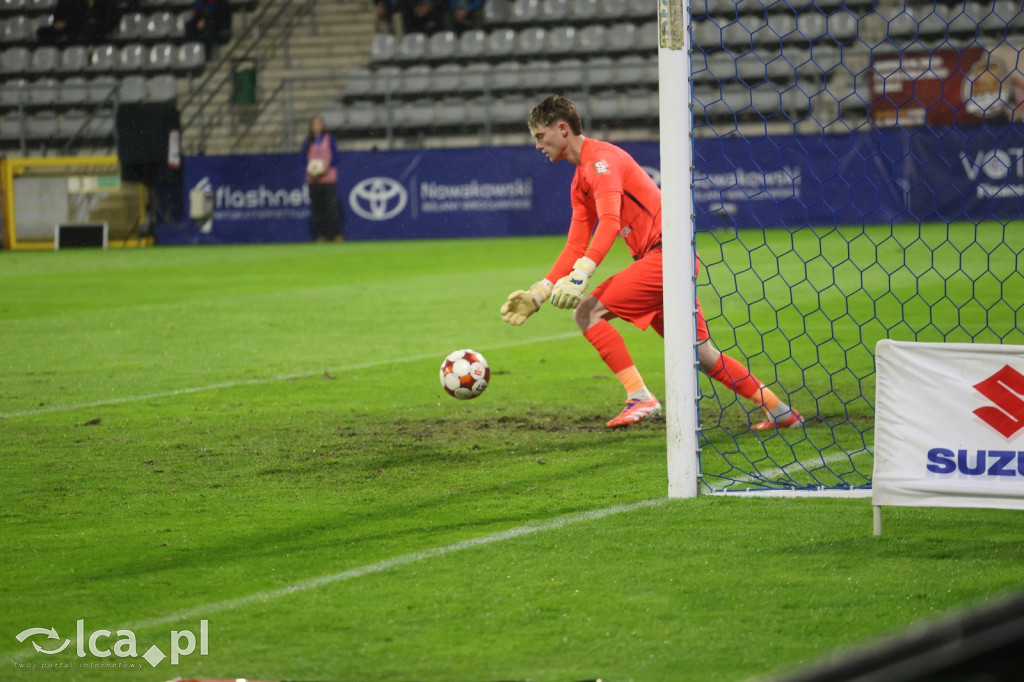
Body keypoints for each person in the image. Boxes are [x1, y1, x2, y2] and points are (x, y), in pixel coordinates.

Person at [500, 95, 804, 430]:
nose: (538, 146)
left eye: (540, 137)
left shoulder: (601, 162)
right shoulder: (580, 179)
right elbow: (576, 243)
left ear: (562, 129)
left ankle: (639, 396)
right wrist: (540, 293)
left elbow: (610, 222)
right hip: (663, 261)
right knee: (703, 354)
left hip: (666, 256)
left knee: (586, 312)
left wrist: (583, 273)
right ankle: (781, 412)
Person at [301, 115, 344, 243]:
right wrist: (310, 169)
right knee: (316, 209)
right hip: (313, 180)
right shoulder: (307, 142)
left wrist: (326, 166)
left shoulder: (329, 139)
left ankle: (336, 234)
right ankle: (321, 236)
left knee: (332, 208)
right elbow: (303, 160)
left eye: (319, 124)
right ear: (311, 127)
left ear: (323, 125)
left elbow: (336, 157)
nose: (317, 126)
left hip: (328, 179)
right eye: (314, 124)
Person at [37, 0, 119, 45]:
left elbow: (110, 21)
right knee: (43, 32)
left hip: (96, 31)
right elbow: (59, 19)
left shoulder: (105, 3)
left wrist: (95, 22)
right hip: (71, 29)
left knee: (88, 29)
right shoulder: (69, 2)